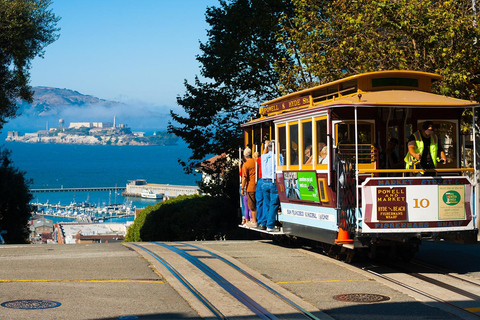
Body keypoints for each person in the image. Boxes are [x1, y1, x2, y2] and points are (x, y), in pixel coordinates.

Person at [261, 140, 280, 232]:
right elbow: (281, 168)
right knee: (274, 204)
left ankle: (264, 223)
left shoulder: (263, 156)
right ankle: (270, 225)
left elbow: (265, 152)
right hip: (273, 181)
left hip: (264, 182)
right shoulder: (278, 156)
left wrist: (266, 145)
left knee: (267, 204)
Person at [241, 147, 257, 228]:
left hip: (250, 187)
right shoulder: (255, 161)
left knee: (251, 206)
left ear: (244, 156)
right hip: (258, 185)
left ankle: (254, 221)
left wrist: (242, 188)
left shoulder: (246, 165)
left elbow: (244, 177)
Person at [255, 143, 269, 230]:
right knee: (265, 202)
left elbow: (259, 158)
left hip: (261, 180)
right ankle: (263, 221)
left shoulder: (264, 159)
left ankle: (260, 221)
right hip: (267, 180)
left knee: (260, 201)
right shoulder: (274, 158)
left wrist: (266, 146)